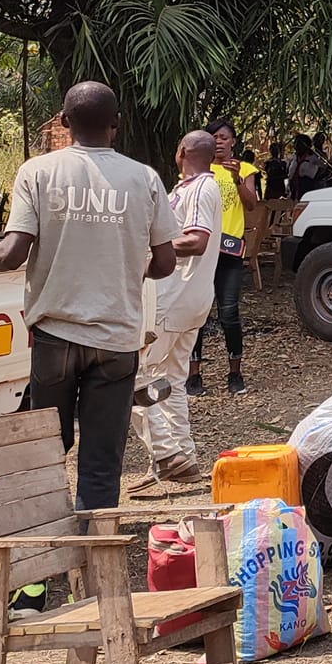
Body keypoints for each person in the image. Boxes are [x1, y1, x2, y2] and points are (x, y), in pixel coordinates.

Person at [0, 81, 176, 524]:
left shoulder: (38, 172)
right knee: (102, 461)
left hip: (55, 337)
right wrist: (128, 268)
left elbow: (9, 255)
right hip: (117, 341)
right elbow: (165, 262)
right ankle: (93, 550)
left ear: (65, 122)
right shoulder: (144, 178)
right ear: (116, 124)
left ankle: (44, 549)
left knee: (47, 450)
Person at [129, 131, 223, 490]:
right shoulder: (195, 188)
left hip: (173, 296)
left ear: (181, 151)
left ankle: (167, 453)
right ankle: (184, 458)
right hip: (192, 298)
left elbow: (196, 240)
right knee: (171, 379)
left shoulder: (199, 188)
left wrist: (150, 250)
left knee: (132, 375)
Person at [187, 117, 259, 398]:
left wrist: (237, 178)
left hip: (229, 251)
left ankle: (235, 373)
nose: (219, 142)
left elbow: (251, 204)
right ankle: (194, 375)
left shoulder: (245, 169)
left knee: (229, 312)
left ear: (233, 142)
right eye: (214, 137)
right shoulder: (197, 170)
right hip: (202, 251)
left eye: (224, 137)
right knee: (198, 312)